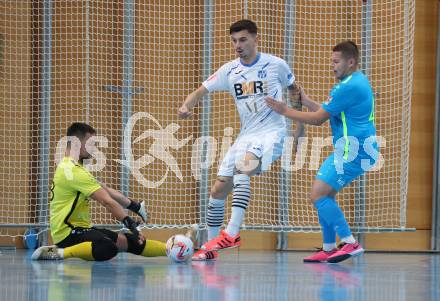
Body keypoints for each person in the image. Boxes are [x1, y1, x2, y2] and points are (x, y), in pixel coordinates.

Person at [178, 19, 304, 261]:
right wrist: (186, 106)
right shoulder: (230, 70)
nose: (238, 45)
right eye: (234, 41)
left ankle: (232, 233)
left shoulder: (276, 65)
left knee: (243, 168)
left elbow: (295, 91)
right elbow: (201, 91)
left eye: (243, 39)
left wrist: (300, 128)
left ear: (256, 39)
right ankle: (210, 247)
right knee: (217, 190)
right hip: (246, 135)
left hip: (272, 133)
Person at [266, 41, 378, 263]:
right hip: (351, 149)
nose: (332, 66)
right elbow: (329, 112)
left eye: (336, 62)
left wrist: (284, 110)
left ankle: (349, 242)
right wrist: (305, 100)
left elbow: (318, 120)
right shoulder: (354, 81)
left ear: (351, 62)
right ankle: (328, 249)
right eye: (332, 61)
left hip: (354, 150)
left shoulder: (348, 86)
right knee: (325, 196)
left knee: (317, 195)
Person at [32, 122, 167, 261]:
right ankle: (58, 252)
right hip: (68, 233)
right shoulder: (73, 171)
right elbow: (106, 201)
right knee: (106, 247)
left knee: (132, 242)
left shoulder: (71, 167)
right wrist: (130, 223)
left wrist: (134, 206)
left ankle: (170, 250)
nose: (94, 149)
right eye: (90, 144)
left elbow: (106, 191)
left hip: (83, 229)